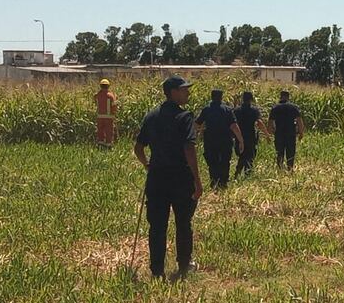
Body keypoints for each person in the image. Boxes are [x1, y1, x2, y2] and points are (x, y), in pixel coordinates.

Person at [134, 75, 203, 280]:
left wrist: (148, 165)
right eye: (184, 89)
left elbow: (138, 148)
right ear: (173, 93)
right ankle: (184, 265)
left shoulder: (152, 116)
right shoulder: (185, 117)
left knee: (157, 226)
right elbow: (189, 148)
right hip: (180, 178)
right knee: (183, 222)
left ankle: (157, 271)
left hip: (157, 178)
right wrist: (197, 180)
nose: (187, 92)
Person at [195, 88, 244, 190]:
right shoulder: (227, 109)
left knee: (212, 162)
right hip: (225, 140)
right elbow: (234, 126)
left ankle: (214, 182)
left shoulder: (206, 109)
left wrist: (195, 137)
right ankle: (223, 183)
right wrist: (240, 140)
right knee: (225, 161)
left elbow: (197, 124)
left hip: (210, 141)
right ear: (221, 97)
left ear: (212, 97)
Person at [233, 91, 269, 178]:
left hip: (239, 136)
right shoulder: (254, 110)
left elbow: (232, 123)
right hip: (251, 137)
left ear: (242, 99)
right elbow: (259, 123)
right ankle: (247, 174)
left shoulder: (236, 110)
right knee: (249, 157)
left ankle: (238, 173)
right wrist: (267, 134)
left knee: (242, 155)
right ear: (251, 99)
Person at [268, 89, 305, 171]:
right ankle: (290, 168)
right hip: (290, 133)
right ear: (288, 97)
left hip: (279, 133)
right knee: (290, 152)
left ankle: (280, 168)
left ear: (280, 97)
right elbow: (299, 121)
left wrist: (269, 134)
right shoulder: (293, 107)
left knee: (279, 152)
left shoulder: (275, 108)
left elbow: (270, 122)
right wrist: (301, 132)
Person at [95, 78, 117, 148]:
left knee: (100, 130)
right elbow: (114, 106)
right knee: (109, 131)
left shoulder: (97, 95)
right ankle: (109, 145)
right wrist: (114, 113)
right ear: (108, 86)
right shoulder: (111, 96)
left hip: (99, 117)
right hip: (109, 117)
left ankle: (100, 143)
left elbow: (95, 102)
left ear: (100, 86)